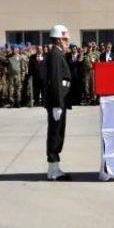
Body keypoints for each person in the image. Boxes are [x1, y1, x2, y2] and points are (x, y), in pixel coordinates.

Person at [45, 24, 73, 181]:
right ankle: (53, 170)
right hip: (58, 101)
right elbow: (55, 80)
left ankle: (54, 168)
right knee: (55, 134)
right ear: (57, 40)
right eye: (65, 39)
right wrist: (57, 103)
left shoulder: (59, 53)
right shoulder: (56, 55)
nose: (67, 42)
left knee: (58, 133)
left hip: (60, 101)